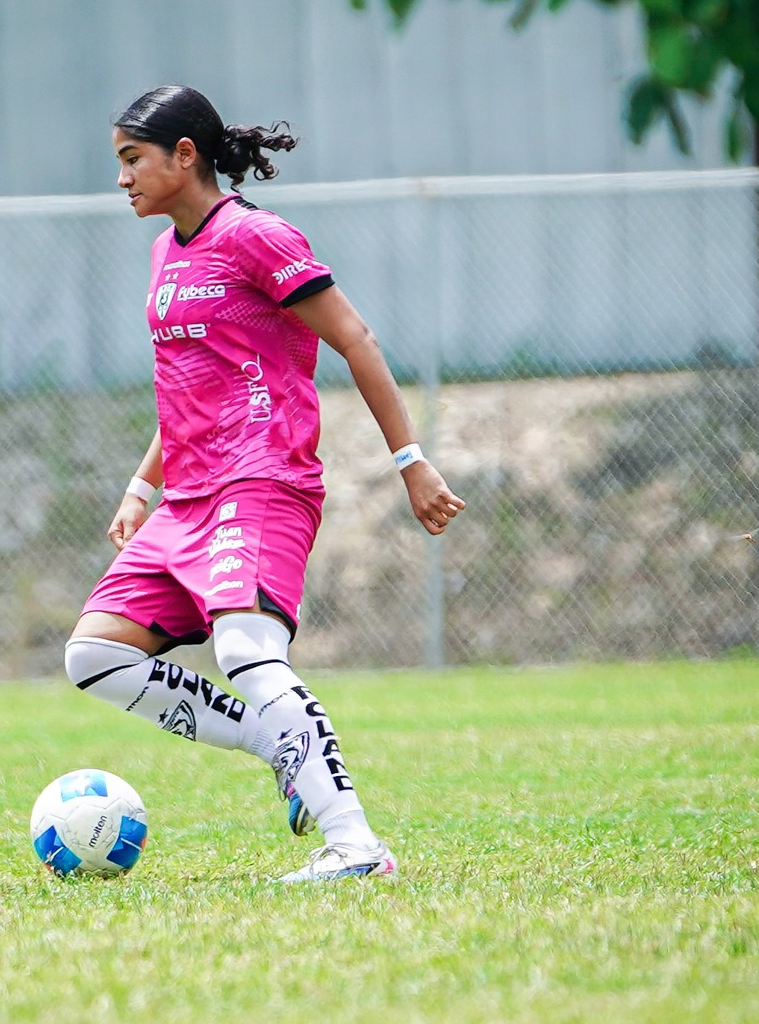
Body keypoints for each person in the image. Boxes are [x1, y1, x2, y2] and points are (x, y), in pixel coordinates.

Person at [65, 85, 465, 883]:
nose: (122, 179)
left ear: (186, 156)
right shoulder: (165, 253)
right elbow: (190, 386)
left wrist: (410, 463)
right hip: (187, 497)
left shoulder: (257, 236)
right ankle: (271, 738)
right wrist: (140, 490)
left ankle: (356, 847)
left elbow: (356, 339)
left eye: (131, 159)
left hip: (262, 479)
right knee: (93, 656)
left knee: (248, 648)